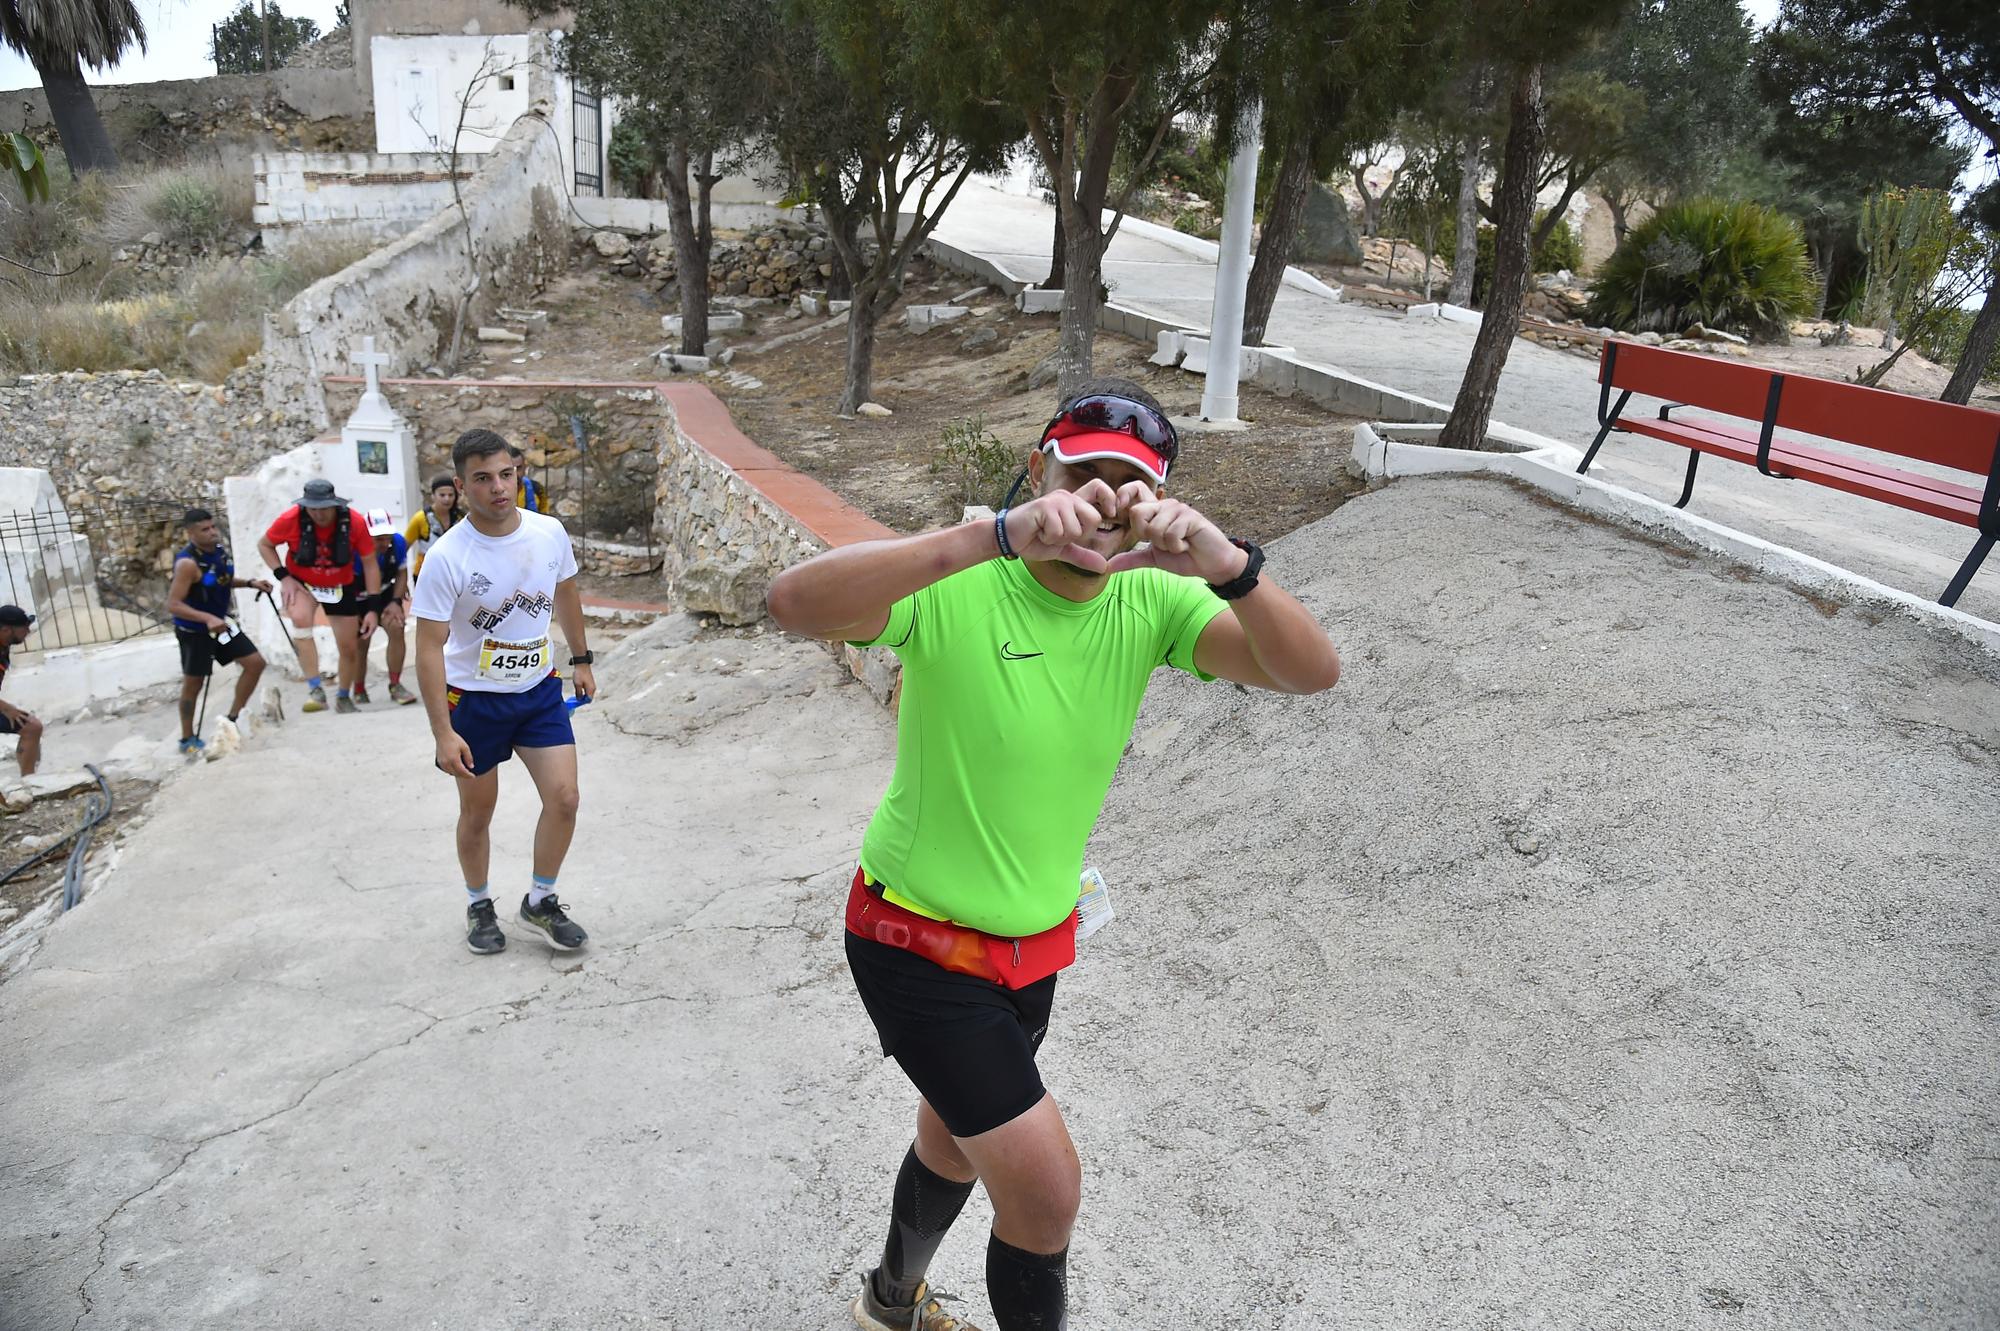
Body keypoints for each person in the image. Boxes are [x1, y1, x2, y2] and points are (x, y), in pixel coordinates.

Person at [766, 379, 1342, 1331]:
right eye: (1083, 474)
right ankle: (893, 1301)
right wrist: (997, 533)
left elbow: (1310, 672)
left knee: (953, 1143)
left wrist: (1230, 565)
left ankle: (888, 1302)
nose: (1101, 502)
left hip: (1032, 946)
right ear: (1039, 471)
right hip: (916, 938)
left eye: (1130, 486)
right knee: (1044, 1193)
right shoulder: (958, 578)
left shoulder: (1152, 604)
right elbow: (792, 602)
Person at [414, 428, 596, 956]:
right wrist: (443, 733)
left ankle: (541, 900)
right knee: (478, 811)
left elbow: (564, 591)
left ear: (518, 472)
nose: (498, 488)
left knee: (565, 798)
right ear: (461, 484)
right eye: (483, 478)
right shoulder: (447, 557)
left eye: (506, 475)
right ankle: (478, 903)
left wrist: (580, 659)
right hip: (473, 700)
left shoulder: (547, 533)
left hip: (538, 690)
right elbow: (428, 649)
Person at [257, 480, 380, 714]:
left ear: (334, 505)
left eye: (324, 508)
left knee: (349, 645)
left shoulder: (354, 522)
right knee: (300, 620)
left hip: (339, 585)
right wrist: (284, 577)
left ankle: (344, 695)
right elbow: (265, 544)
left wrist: (373, 607)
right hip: (303, 582)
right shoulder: (290, 519)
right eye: (313, 509)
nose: (319, 514)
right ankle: (315, 688)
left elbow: (369, 563)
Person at [165, 508, 272, 753]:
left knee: (255, 663)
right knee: (194, 683)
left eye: (213, 527)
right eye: (205, 529)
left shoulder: (219, 553)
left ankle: (232, 719)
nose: (213, 532)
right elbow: (173, 604)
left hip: (222, 625)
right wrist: (206, 618)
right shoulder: (187, 564)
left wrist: (249, 583)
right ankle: (187, 738)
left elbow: (221, 580)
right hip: (194, 632)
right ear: (191, 533)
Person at [351, 509, 415, 706]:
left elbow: (402, 573)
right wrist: (354, 614)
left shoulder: (398, 543)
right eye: (379, 539)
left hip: (386, 595)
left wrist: (396, 601)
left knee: (397, 627)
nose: (384, 544)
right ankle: (359, 688)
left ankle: (395, 684)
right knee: (361, 641)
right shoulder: (352, 549)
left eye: (387, 538)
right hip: (357, 599)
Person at [0, 604, 41, 777]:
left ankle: (29, 783)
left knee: (31, 727)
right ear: (7, 630)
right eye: (24, 628)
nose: (28, 632)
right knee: (31, 726)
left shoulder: (4, 645)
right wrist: (8, 708)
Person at [405, 473, 462, 582]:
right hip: (424, 574)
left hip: (453, 575)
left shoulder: (460, 518)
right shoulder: (420, 518)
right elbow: (403, 548)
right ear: (433, 496)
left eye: (451, 495)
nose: (447, 499)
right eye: (442, 495)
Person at [510, 446, 553, 516]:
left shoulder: (537, 489)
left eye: (518, 468)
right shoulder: (499, 494)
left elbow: (544, 516)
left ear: (525, 467)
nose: (515, 473)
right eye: (510, 469)